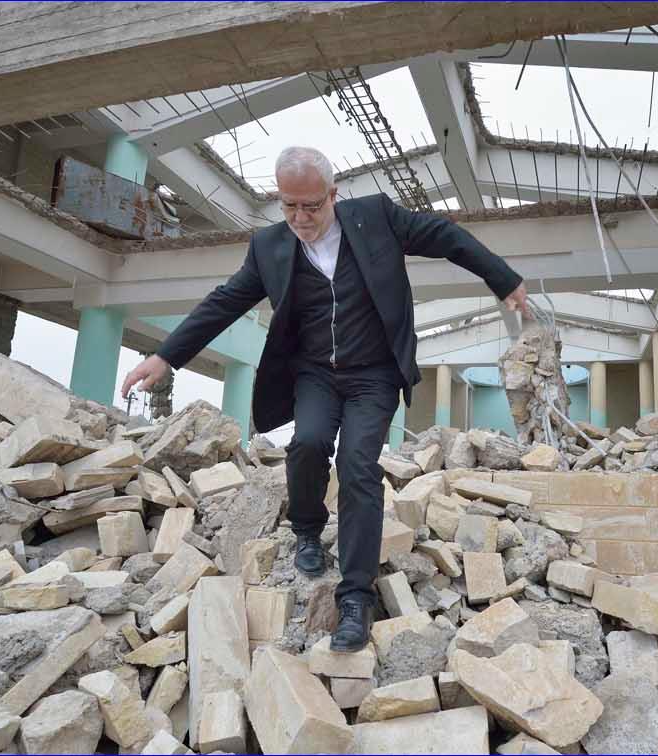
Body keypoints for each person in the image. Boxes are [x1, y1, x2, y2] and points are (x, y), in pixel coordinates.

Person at [121, 146, 529, 651]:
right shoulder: (269, 246)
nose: (300, 218)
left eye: (311, 206)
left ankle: (355, 597)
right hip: (314, 373)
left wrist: (502, 278)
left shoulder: (376, 217)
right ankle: (308, 530)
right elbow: (225, 301)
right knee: (309, 443)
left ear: (333, 195)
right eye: (289, 206)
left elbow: (445, 236)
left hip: (374, 374)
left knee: (359, 466)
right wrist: (166, 357)